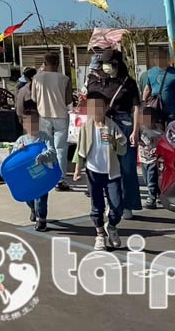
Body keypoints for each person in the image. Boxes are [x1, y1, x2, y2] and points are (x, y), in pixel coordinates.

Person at [87, 49, 141, 219]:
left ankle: (128, 205)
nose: (105, 67)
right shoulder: (97, 81)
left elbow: (136, 107)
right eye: (103, 63)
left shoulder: (128, 82)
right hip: (103, 125)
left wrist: (135, 130)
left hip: (124, 124)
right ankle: (111, 203)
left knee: (126, 166)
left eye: (108, 63)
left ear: (117, 64)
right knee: (105, 165)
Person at [72, 92, 127, 251]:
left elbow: (123, 149)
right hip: (93, 172)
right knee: (97, 206)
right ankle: (100, 234)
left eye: (99, 107)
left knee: (117, 205)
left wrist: (114, 142)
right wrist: (77, 170)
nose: (96, 111)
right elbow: (80, 151)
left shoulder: (112, 126)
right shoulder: (86, 128)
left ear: (106, 107)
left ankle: (112, 225)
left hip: (112, 172)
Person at [31, 52, 73, 191]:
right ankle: (61, 179)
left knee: (46, 147)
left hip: (44, 115)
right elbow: (68, 100)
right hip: (61, 115)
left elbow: (34, 98)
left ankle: (47, 174)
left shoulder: (37, 78)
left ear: (44, 62)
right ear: (58, 63)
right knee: (61, 149)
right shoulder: (65, 79)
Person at [13, 101, 56, 231]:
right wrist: (18, 150)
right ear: (24, 125)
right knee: (29, 197)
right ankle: (32, 208)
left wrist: (44, 156)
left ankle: (41, 219)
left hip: (42, 173)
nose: (32, 125)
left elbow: (52, 151)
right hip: (27, 175)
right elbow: (12, 157)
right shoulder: (21, 140)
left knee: (42, 197)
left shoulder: (45, 137)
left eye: (35, 122)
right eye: (29, 123)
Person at [142, 52, 175, 123]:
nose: (158, 61)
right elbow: (147, 89)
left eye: (161, 58)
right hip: (156, 109)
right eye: (156, 59)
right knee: (158, 132)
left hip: (173, 111)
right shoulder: (151, 72)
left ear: (167, 59)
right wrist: (144, 103)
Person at [139, 105, 162, 210]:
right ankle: (158, 194)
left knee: (151, 180)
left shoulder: (159, 132)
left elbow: (161, 145)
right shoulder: (141, 130)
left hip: (153, 160)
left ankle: (151, 199)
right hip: (143, 159)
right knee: (146, 179)